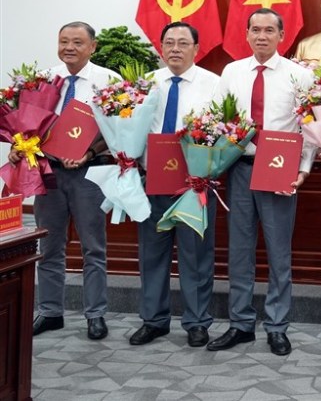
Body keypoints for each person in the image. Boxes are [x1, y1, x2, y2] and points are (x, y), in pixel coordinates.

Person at [207, 9, 316, 356]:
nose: (262, 36)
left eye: (270, 30)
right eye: (255, 30)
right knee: (239, 250)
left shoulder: (300, 76)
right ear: (247, 34)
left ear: (282, 36)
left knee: (278, 251)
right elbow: (217, 118)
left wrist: (305, 167)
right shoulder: (232, 72)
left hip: (280, 167)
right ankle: (240, 323)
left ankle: (277, 326)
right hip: (239, 167)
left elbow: (310, 127)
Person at [21, 21, 119, 340]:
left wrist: (89, 153)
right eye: (64, 41)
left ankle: (95, 315)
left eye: (78, 42)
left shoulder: (108, 81)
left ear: (93, 47)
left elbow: (119, 132)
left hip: (89, 173)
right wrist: (22, 147)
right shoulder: (45, 79)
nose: (69, 48)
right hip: (48, 172)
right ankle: (50, 312)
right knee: (49, 245)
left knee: (93, 246)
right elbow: (28, 125)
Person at [129, 22, 220, 348]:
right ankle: (154, 320)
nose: (175, 49)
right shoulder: (146, 85)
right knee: (152, 255)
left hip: (193, 185)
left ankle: (197, 322)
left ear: (196, 48)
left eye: (183, 43)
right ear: (160, 47)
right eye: (169, 42)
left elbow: (224, 131)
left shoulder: (214, 84)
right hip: (152, 181)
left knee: (196, 256)